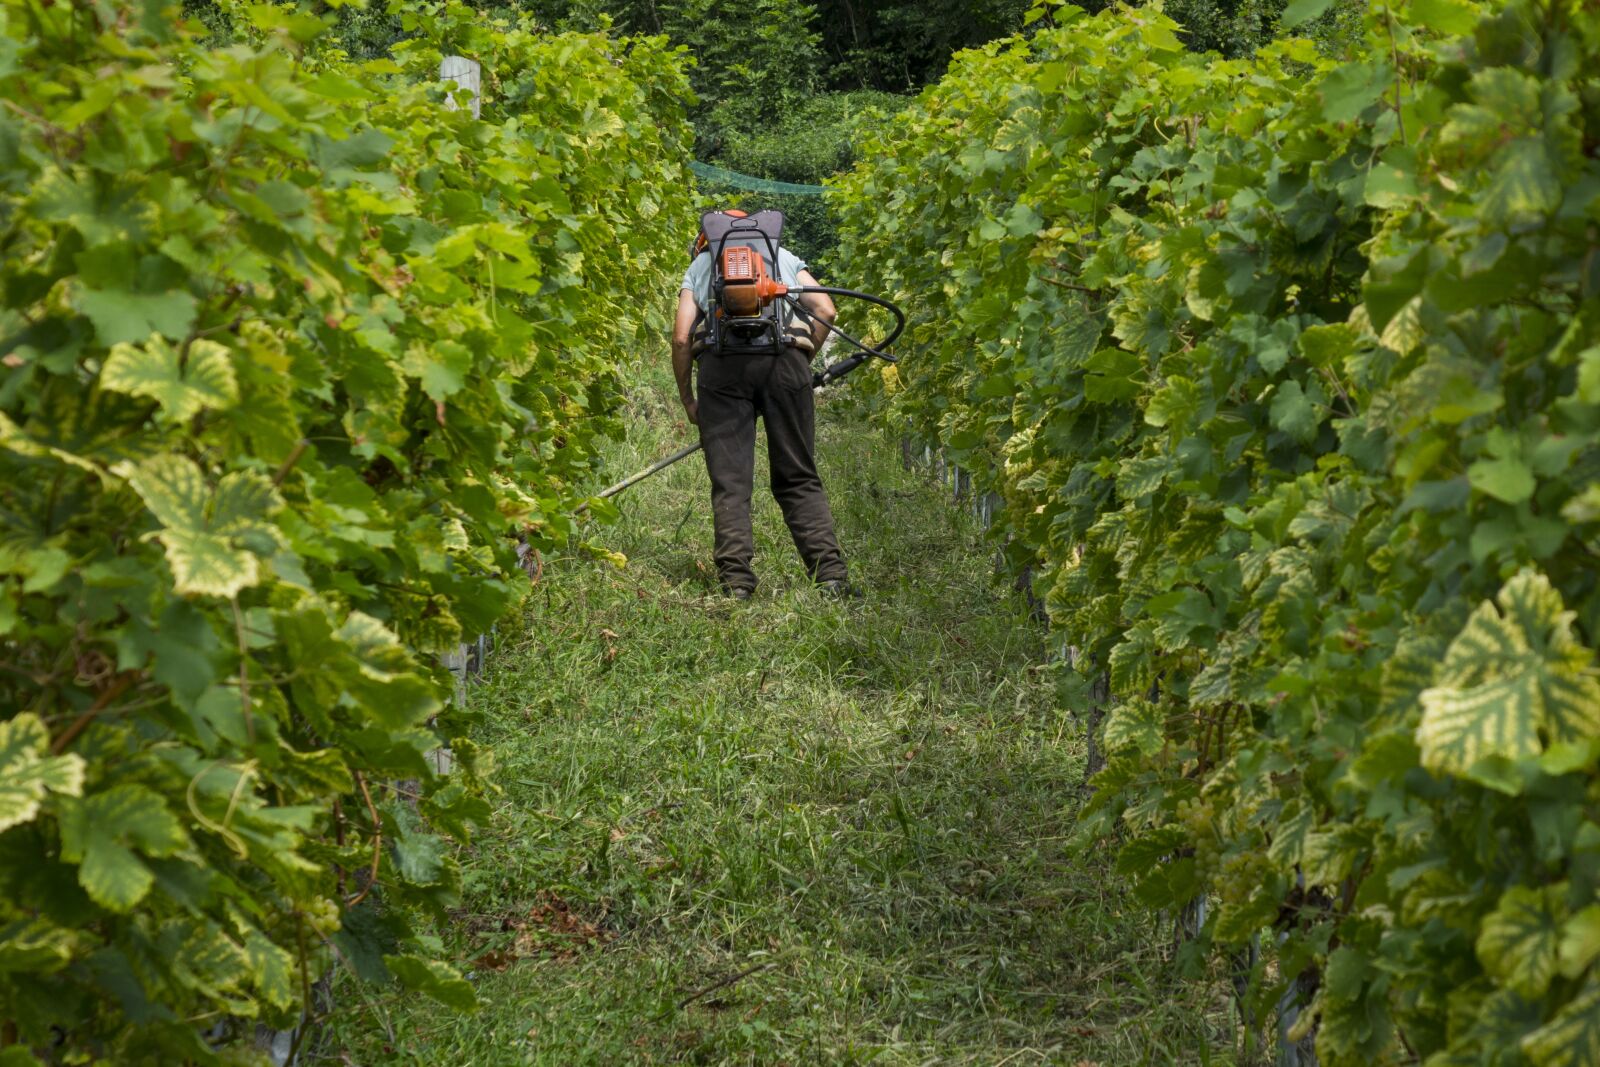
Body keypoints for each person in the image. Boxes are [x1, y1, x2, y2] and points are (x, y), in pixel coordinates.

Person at [670, 210, 854, 600]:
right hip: (784, 363)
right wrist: (801, 363)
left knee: (731, 482)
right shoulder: (781, 256)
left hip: (721, 371)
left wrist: (688, 398)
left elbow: (682, 338)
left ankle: (736, 583)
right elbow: (826, 310)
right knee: (798, 476)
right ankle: (831, 577)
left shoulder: (702, 265)